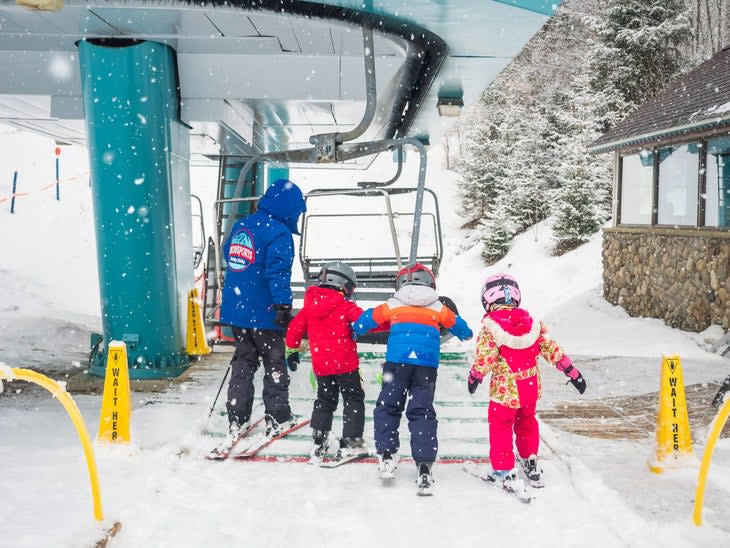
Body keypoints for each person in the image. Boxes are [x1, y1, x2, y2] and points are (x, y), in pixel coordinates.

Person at [353, 263, 473, 495]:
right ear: (430, 283)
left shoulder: (393, 304)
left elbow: (365, 322)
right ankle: (424, 464)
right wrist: (460, 330)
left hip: (397, 363)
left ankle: (387, 454)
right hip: (426, 365)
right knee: (422, 410)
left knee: (388, 405)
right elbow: (463, 330)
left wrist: (354, 327)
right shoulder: (438, 307)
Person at [467, 273, 586, 495]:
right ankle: (530, 459)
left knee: (501, 426)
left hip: (505, 393)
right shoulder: (532, 324)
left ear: (487, 300)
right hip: (529, 388)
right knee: (527, 422)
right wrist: (572, 371)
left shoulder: (490, 328)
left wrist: (475, 376)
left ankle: (504, 470)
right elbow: (551, 350)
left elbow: (485, 359)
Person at [218, 178, 306, 446]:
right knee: (274, 364)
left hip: (237, 311)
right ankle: (278, 417)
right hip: (265, 313)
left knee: (243, 364)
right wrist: (282, 305)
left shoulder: (242, 225)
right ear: (287, 207)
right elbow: (277, 272)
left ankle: (237, 417)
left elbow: (227, 254)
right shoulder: (278, 232)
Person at [285, 262, 367, 463]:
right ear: (344, 285)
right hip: (346, 364)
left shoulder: (309, 307)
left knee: (324, 400)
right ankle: (351, 441)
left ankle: (319, 439)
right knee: (353, 398)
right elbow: (366, 322)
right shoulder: (347, 306)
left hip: (322, 365)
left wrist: (292, 350)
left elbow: (294, 329)